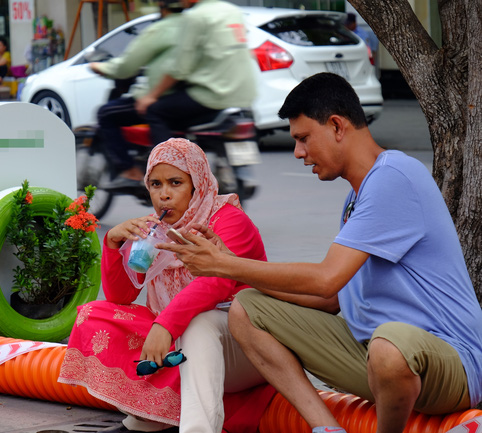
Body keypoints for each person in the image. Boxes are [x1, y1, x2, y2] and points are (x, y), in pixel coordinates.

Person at [158, 73, 482, 433]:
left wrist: (226, 264)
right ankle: (327, 428)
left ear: (337, 126)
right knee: (246, 309)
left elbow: (327, 279)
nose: (298, 152)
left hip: (449, 362)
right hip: (376, 356)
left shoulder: (394, 176)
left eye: (303, 138)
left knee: (390, 346)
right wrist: (230, 271)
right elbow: (331, 300)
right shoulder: (355, 199)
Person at [58, 138, 272, 433]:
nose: (164, 195)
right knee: (95, 314)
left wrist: (165, 326)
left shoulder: (228, 221)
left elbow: (215, 284)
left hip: (245, 346)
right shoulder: (155, 230)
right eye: (156, 185)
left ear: (197, 185)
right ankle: (149, 417)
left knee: (199, 323)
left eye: (175, 183)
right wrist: (113, 243)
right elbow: (121, 296)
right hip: (181, 338)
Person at [89, 0, 185, 188]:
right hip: (184, 96)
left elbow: (127, 65)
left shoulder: (159, 29)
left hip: (160, 95)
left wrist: (101, 67)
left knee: (106, 114)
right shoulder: (190, 26)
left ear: (162, 7)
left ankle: (130, 171)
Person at [135, 0, 256, 146]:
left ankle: (168, 164)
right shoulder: (233, 11)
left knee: (155, 112)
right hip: (245, 93)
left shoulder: (195, 16)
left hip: (213, 95)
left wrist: (151, 96)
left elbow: (179, 68)